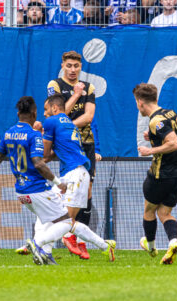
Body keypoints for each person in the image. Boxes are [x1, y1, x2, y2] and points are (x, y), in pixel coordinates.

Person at [0, 96, 116, 265]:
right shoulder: (67, 122)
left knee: (51, 219)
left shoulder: (10, 132)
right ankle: (37, 243)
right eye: (41, 112)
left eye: (46, 110)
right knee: (66, 222)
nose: (44, 115)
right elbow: (41, 160)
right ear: (33, 113)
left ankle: (47, 252)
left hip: (31, 186)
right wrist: (56, 180)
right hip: (62, 178)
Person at [47, 51, 98, 260]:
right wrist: (75, 95)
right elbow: (57, 113)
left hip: (85, 142)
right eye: (69, 66)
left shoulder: (89, 87)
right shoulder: (55, 85)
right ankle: (62, 233)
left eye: (76, 66)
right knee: (65, 189)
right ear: (63, 65)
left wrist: (66, 125)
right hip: (66, 144)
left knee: (86, 193)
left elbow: (88, 116)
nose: (73, 70)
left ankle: (81, 240)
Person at [133, 83, 177, 265]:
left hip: (161, 174)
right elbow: (171, 134)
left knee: (149, 210)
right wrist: (154, 137)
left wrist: (150, 150)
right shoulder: (170, 113)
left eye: (136, 102)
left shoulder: (155, 121)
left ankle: (150, 246)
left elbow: (174, 143)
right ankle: (173, 242)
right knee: (164, 213)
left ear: (140, 102)